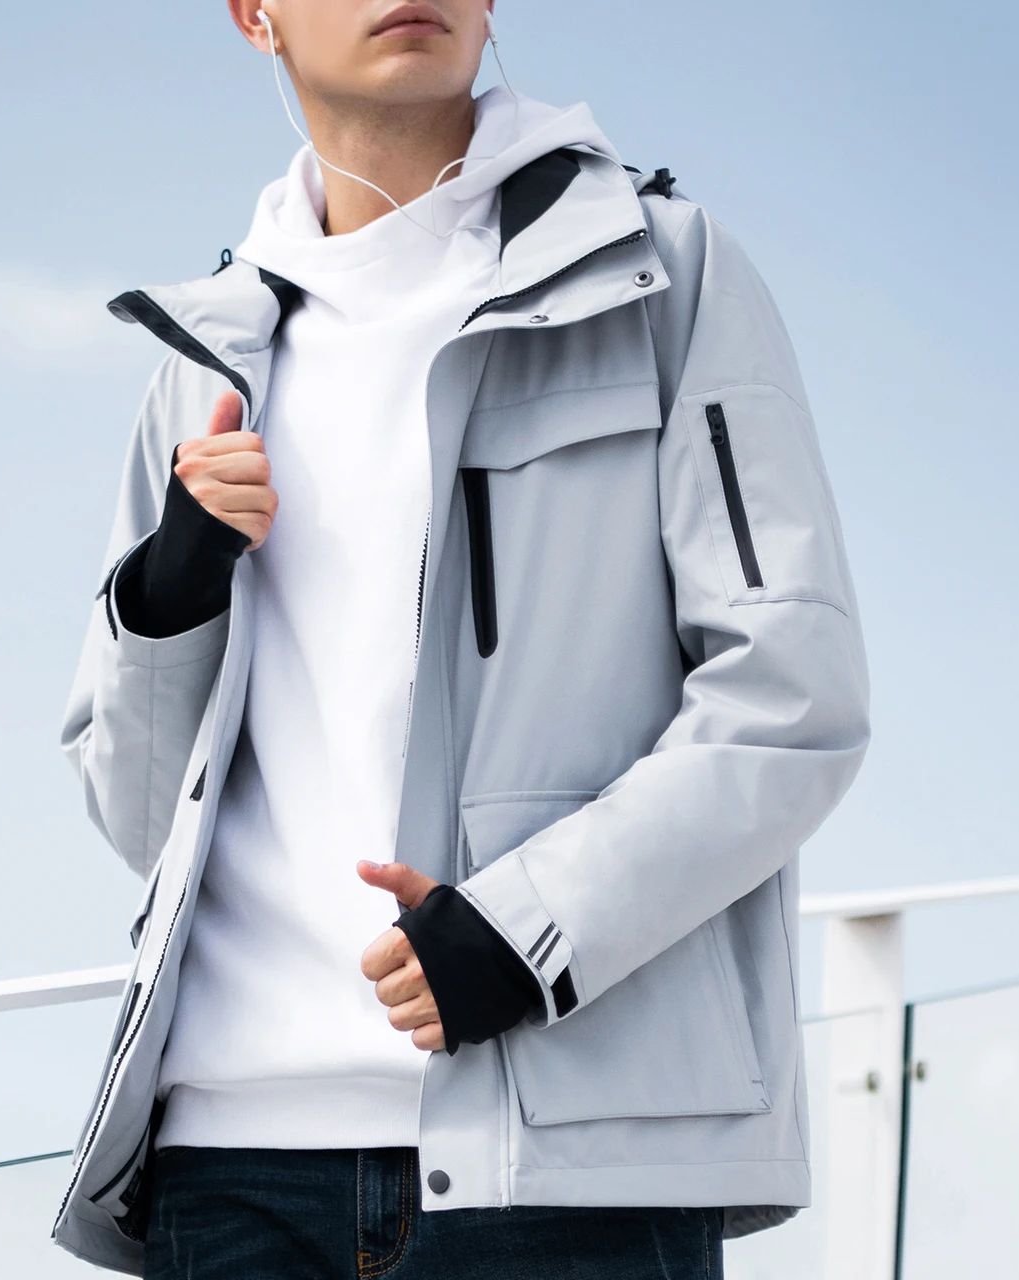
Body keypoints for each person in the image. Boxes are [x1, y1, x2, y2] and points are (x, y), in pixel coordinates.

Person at [53, 2, 872, 1277]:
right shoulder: (203, 357)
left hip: (564, 1163)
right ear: (254, 15)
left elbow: (791, 694)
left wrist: (526, 932)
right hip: (228, 1160)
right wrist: (171, 589)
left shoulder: (664, 275)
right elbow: (140, 814)